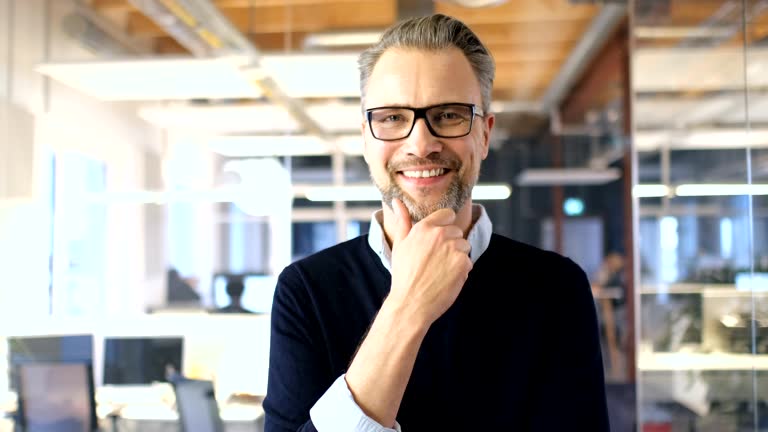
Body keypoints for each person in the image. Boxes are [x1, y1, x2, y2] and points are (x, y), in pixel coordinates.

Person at [264, 14, 609, 432]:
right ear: (365, 137)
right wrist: (408, 308)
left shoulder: (556, 289)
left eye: (448, 115)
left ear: (484, 135)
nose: (421, 143)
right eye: (391, 118)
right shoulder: (306, 291)